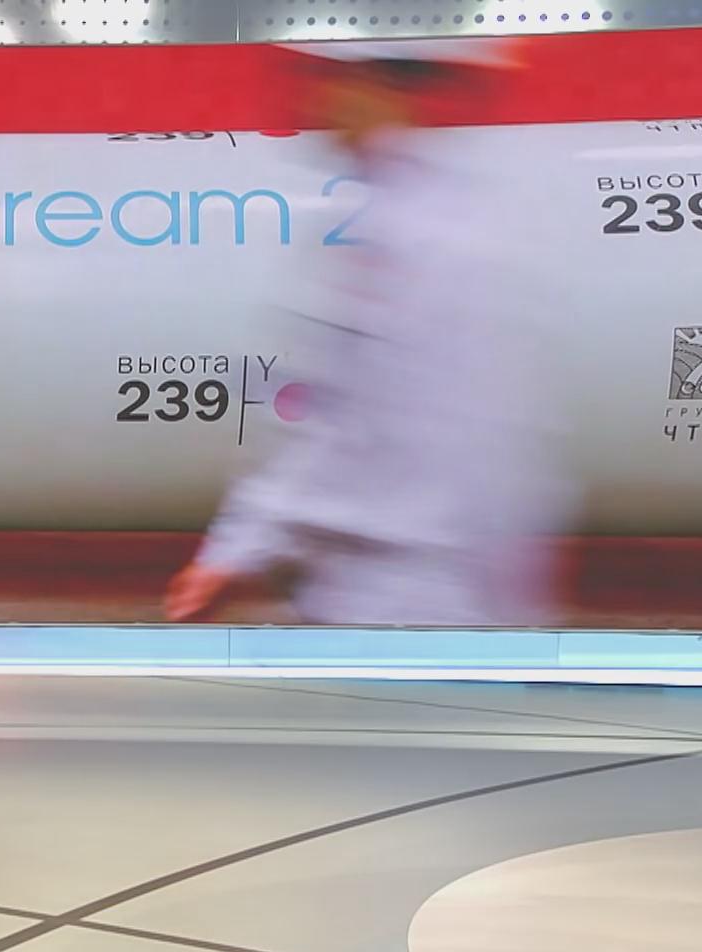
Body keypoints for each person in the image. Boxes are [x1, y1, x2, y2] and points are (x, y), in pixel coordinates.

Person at [166, 42, 569, 628]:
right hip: (393, 582)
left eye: (325, 79)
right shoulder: (397, 217)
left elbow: (382, 423)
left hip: (409, 590)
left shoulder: (429, 237)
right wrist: (240, 548)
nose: (310, 101)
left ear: (378, 86)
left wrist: (243, 547)